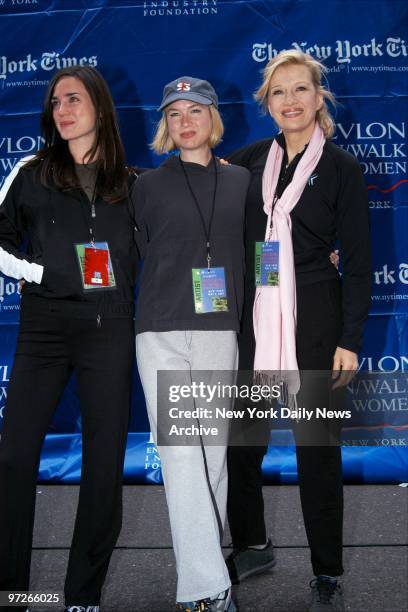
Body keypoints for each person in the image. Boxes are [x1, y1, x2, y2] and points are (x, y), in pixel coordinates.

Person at [225, 50, 371, 611]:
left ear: (318, 98)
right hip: (255, 326)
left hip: (318, 324)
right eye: (279, 92)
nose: (291, 101)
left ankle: (327, 571)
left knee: (317, 453)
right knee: (243, 448)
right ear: (267, 103)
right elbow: (195, 192)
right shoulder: (244, 162)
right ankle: (252, 544)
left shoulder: (342, 171)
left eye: (301, 90)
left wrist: (350, 339)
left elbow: (357, 264)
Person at [0, 66, 140, 612]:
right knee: (13, 458)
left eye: (74, 99)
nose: (62, 109)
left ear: (100, 108)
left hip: (110, 331)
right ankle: (12, 592)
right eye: (56, 101)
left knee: (104, 464)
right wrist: (44, 275)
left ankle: (82, 595)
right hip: (44, 330)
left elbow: (188, 227)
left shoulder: (132, 182)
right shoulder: (31, 172)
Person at [133, 76, 250, 611]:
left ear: (213, 118)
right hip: (159, 331)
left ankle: (208, 575)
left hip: (219, 330)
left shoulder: (243, 182)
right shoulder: (146, 186)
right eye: (174, 112)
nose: (185, 121)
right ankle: (207, 590)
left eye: (195, 110)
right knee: (181, 454)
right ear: (165, 124)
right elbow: (136, 254)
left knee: (213, 457)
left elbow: (264, 254)